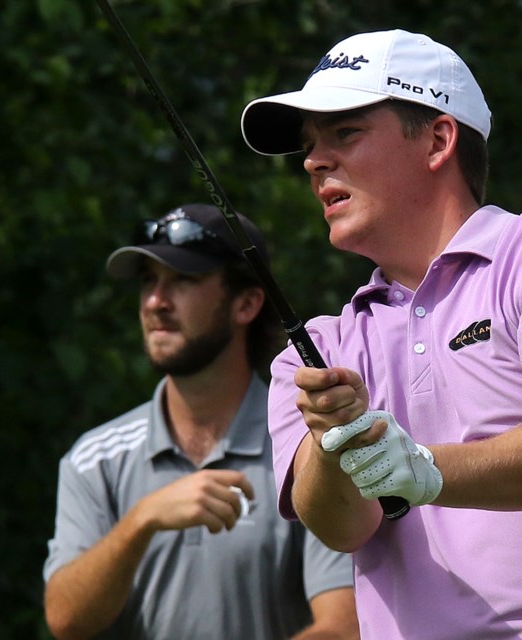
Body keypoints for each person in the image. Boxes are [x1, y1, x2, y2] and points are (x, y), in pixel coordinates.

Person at [240, 29, 522, 640]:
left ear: (439, 140)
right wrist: (333, 438)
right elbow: (341, 528)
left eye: (345, 133)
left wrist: (420, 467)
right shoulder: (315, 351)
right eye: (311, 145)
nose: (314, 161)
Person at [43, 204, 359, 640]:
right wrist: (142, 520)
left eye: (183, 280)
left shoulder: (307, 448)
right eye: (148, 282)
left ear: (246, 303)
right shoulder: (95, 458)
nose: (156, 302)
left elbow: (343, 628)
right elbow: (65, 620)